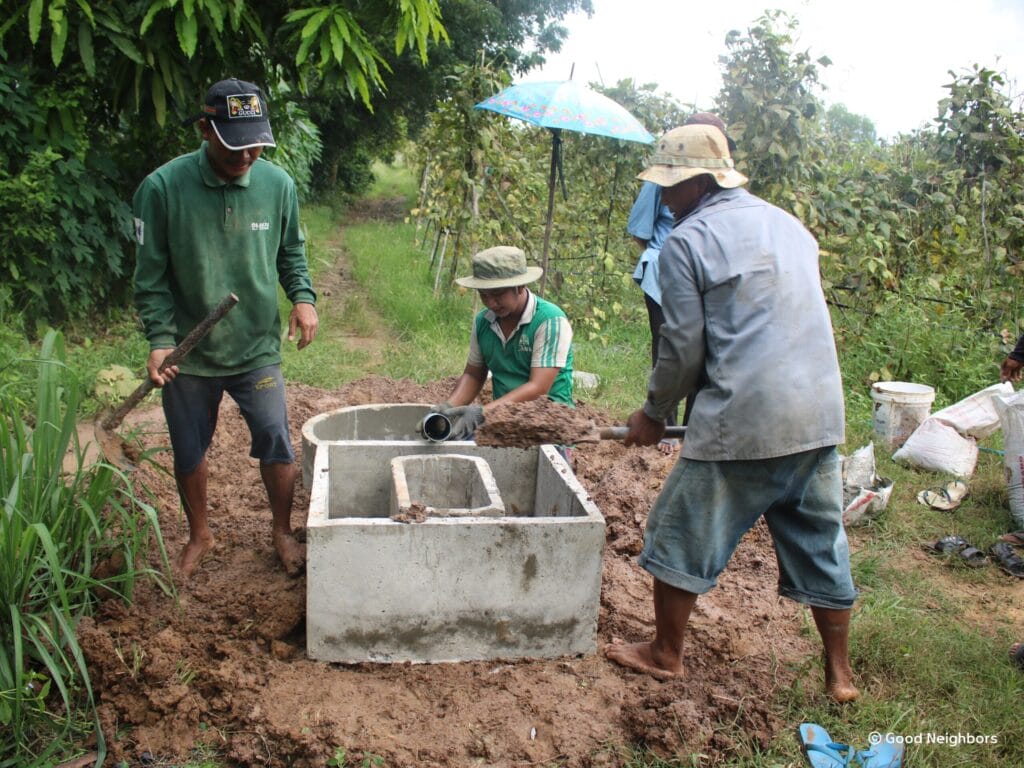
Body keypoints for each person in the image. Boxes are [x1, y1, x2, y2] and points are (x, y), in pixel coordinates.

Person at [605, 123, 859, 703]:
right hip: (819, 413)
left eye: (668, 187)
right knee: (820, 538)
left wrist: (652, 413)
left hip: (747, 415)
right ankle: (840, 675)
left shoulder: (687, 243)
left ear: (698, 182)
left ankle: (666, 654)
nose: (662, 199)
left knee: (676, 530)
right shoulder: (790, 226)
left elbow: (682, 348)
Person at [133, 78, 318, 579]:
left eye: (257, 142)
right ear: (205, 129)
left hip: (257, 345)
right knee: (189, 447)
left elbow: (291, 251)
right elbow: (148, 280)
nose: (248, 154)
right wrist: (160, 342)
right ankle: (200, 535)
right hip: (189, 355)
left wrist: (301, 297)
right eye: (236, 144)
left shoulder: (277, 185)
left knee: (276, 439)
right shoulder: (162, 189)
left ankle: (281, 531)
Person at [626, 112, 735, 455]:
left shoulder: (719, 198)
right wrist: (668, 261)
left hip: (701, 275)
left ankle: (691, 430)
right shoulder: (664, 184)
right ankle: (667, 428)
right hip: (663, 271)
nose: (669, 199)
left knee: (702, 356)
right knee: (669, 349)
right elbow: (640, 229)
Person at [432, 246, 574, 441]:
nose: (491, 303)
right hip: (502, 421)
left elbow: (538, 387)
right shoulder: (483, 322)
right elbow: (474, 374)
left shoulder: (550, 321)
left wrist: (482, 412)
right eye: (484, 295)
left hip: (547, 426)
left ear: (520, 287)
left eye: (497, 294)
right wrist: (448, 408)